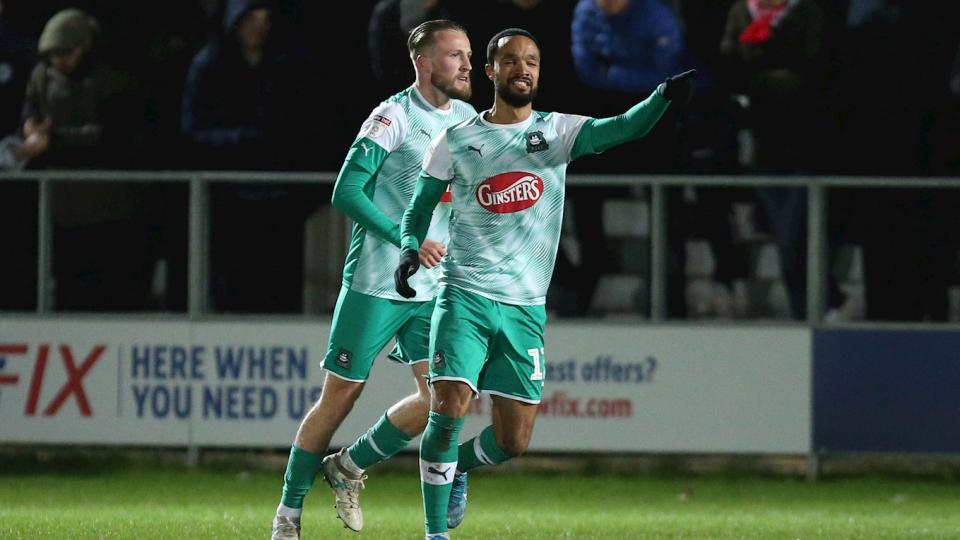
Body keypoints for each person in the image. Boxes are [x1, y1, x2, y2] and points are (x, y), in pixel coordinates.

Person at [394, 28, 693, 539]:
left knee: (513, 441)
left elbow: (624, 128)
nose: (523, 69)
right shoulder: (456, 140)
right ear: (490, 71)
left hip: (525, 307)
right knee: (448, 408)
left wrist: (662, 97)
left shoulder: (557, 132)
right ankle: (434, 533)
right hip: (464, 295)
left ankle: (458, 467)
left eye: (531, 61)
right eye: (511, 61)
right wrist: (407, 248)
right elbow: (418, 209)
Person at [269, 19, 476, 540]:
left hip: (435, 286)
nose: (467, 65)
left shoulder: (469, 119)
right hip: (377, 282)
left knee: (442, 400)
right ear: (422, 62)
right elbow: (346, 191)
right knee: (340, 397)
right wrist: (406, 239)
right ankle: (288, 514)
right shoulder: (393, 116)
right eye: (455, 55)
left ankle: (349, 466)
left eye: (469, 55)